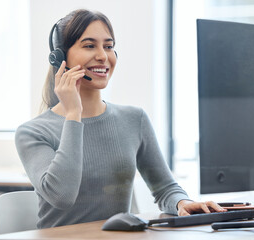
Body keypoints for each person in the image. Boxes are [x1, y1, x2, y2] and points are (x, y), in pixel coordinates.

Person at [15, 9, 225, 229]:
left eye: (108, 46)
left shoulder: (135, 119)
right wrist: (73, 115)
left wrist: (183, 202)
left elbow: (164, 188)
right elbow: (62, 196)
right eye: (89, 45)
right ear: (60, 58)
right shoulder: (32, 132)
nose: (103, 56)